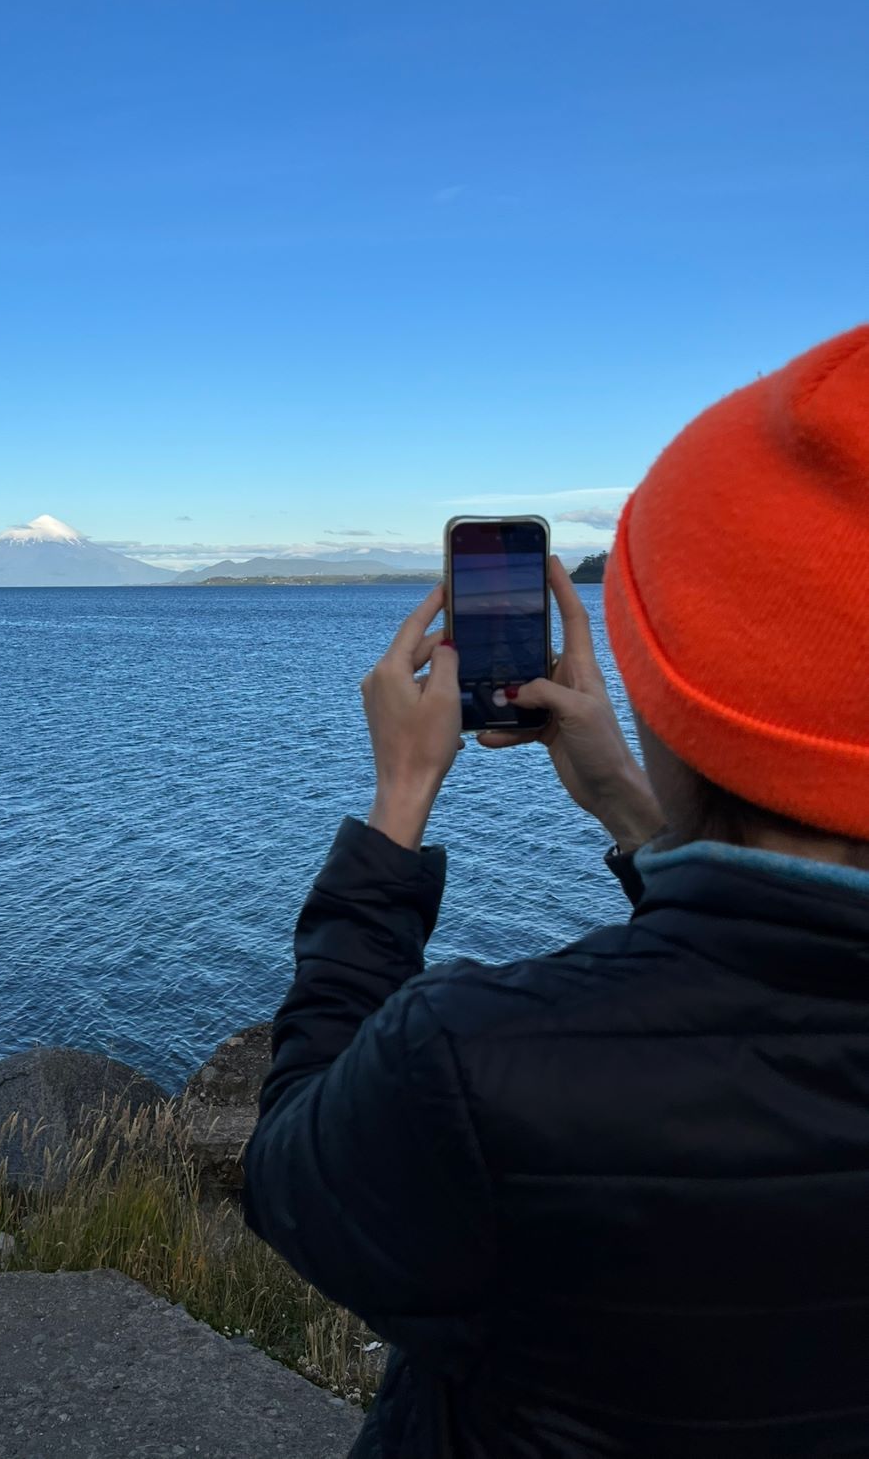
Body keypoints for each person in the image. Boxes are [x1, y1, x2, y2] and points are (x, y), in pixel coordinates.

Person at [240, 324, 869, 1459]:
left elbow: (293, 1176)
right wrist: (632, 809)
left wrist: (398, 802)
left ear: (670, 688)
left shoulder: (476, 1060)